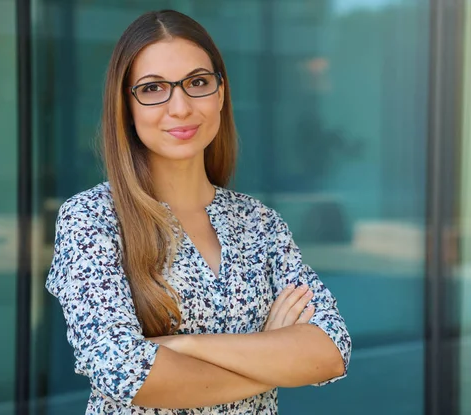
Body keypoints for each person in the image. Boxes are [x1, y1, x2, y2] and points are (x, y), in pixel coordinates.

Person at [46, 9, 351, 415]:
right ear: (126, 105)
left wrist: (184, 346)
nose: (181, 107)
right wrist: (273, 356)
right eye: (153, 88)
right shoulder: (92, 219)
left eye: (198, 83)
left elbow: (330, 350)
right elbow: (125, 373)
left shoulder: (258, 223)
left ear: (221, 93)